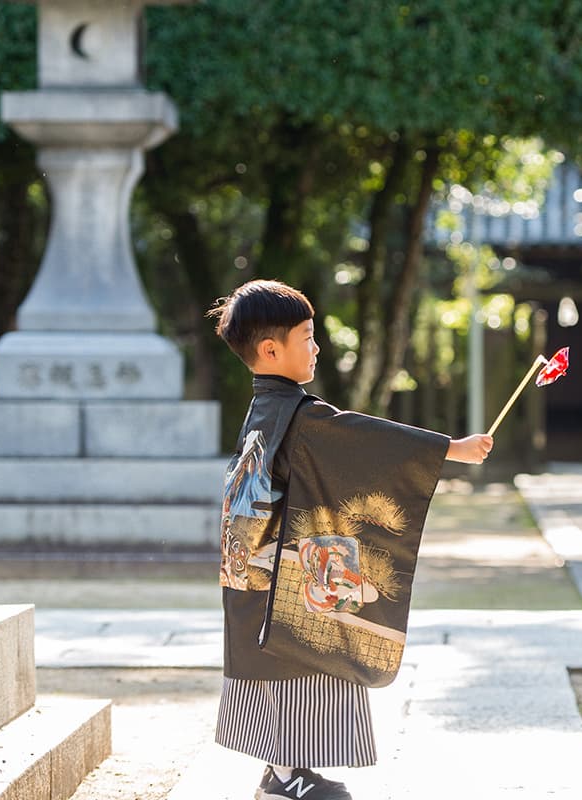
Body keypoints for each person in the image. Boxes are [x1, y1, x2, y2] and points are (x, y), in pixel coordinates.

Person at [207, 279, 493, 800]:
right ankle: (288, 773)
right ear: (271, 350)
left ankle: (285, 769)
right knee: (296, 663)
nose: (316, 347)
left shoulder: (267, 409)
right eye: (307, 337)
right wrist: (451, 449)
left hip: (256, 566)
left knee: (284, 666)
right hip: (279, 573)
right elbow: (367, 441)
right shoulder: (299, 414)